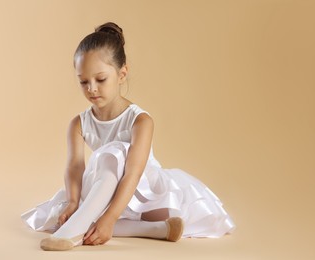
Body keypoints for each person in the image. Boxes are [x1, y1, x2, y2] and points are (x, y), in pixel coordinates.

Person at [21, 22, 235, 251]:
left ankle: (72, 233)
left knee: (113, 152)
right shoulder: (78, 123)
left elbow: (133, 173)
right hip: (106, 187)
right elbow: (75, 167)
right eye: (83, 82)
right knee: (64, 214)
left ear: (122, 74)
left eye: (100, 79)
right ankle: (161, 229)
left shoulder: (140, 121)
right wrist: (73, 201)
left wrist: (111, 217)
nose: (91, 88)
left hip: (142, 190)